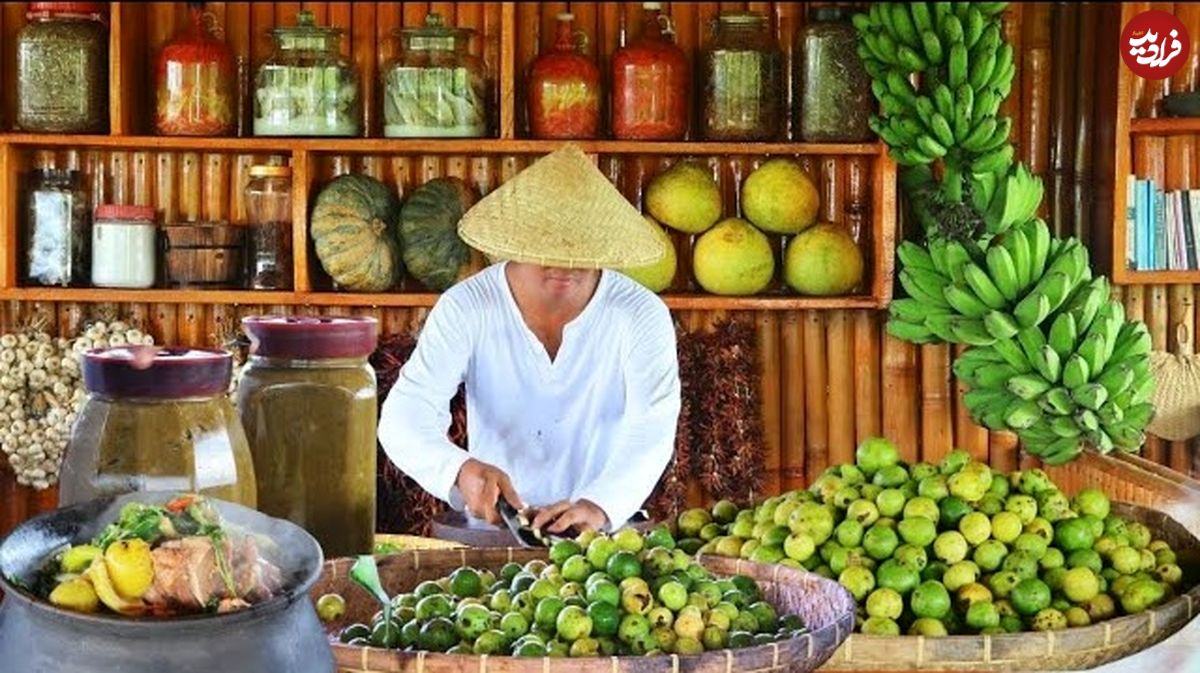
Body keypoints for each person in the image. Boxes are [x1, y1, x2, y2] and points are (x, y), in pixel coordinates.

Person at [379, 145, 681, 535]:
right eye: (545, 248)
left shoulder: (640, 313)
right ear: (514, 243)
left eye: (579, 250)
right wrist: (459, 470)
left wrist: (600, 504)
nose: (565, 263)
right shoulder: (467, 307)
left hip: (605, 535)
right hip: (493, 531)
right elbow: (405, 416)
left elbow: (651, 427)